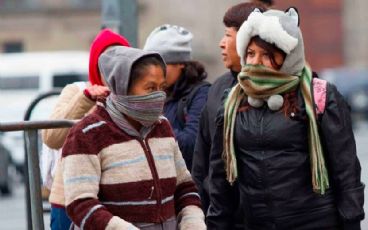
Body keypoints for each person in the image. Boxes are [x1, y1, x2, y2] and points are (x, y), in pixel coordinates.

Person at [207, 8, 365, 230]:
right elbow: (220, 176)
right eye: (251, 54)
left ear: (288, 56)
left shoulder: (320, 97)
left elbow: (346, 171)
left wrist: (351, 221)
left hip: (316, 222)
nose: (256, 62)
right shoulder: (233, 102)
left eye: (267, 55)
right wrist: (217, 223)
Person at [62, 46, 205, 230]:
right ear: (123, 88)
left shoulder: (163, 127)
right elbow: (80, 204)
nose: (159, 95)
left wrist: (192, 222)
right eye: (150, 88)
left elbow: (184, 187)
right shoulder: (87, 134)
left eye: (162, 87)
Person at [41, 28, 130, 230]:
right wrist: (86, 99)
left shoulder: (133, 96)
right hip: (70, 201)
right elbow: (51, 137)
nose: (112, 67)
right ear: (95, 64)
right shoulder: (77, 91)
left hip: (118, 201)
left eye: (119, 59)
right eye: (105, 60)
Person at [191, 2, 268, 214]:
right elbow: (201, 160)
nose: (221, 44)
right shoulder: (217, 89)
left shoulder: (276, 92)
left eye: (228, 36)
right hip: (221, 213)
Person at [143, 24, 210, 170]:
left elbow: (191, 145)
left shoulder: (201, 94)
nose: (154, 72)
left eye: (161, 65)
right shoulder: (153, 93)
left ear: (180, 63)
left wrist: (151, 120)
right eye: (148, 66)